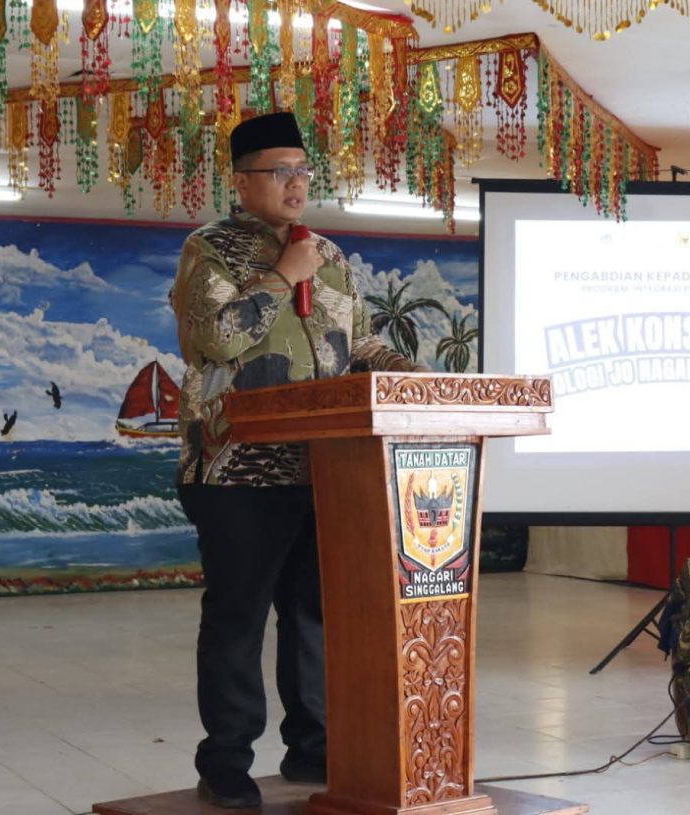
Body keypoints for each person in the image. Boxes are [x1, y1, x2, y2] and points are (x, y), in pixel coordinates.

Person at [169, 111, 422, 809]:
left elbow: (360, 345)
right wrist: (282, 275)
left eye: (303, 170)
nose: (296, 184)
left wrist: (418, 378)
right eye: (280, 171)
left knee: (312, 616)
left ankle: (314, 748)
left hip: (328, 470)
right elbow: (213, 341)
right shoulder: (210, 250)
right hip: (233, 471)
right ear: (242, 182)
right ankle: (225, 762)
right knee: (239, 617)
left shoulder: (331, 255)